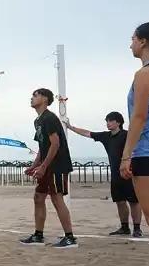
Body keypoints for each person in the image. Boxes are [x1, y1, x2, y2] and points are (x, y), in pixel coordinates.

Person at [65, 112, 142, 237]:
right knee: (120, 201)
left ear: (118, 122)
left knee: (134, 201)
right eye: (107, 121)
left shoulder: (127, 135)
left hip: (128, 172)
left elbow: (138, 148)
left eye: (111, 121)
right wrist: (70, 127)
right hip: (115, 175)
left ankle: (137, 228)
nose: (108, 123)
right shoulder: (106, 136)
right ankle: (124, 227)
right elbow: (88, 133)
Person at [20, 88, 77, 248]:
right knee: (38, 197)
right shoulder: (38, 121)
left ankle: (70, 238)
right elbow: (42, 146)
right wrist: (34, 166)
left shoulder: (50, 118)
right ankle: (38, 235)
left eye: (35, 95)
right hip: (46, 165)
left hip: (57, 164)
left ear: (45, 99)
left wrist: (44, 166)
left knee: (56, 198)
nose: (32, 98)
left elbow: (55, 143)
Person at [120, 22, 149, 266]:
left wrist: (126, 155)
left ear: (143, 42)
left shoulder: (144, 74)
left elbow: (138, 117)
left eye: (132, 39)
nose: (130, 44)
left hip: (146, 152)